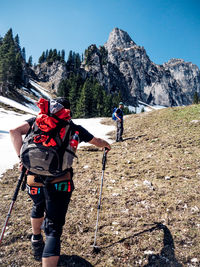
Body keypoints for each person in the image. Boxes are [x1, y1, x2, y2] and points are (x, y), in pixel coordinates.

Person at [9, 97, 111, 267]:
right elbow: (97, 142)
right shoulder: (73, 127)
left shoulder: (37, 121)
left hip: (33, 176)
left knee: (37, 206)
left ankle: (36, 240)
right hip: (60, 180)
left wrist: (21, 158)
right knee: (54, 226)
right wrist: (107, 145)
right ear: (67, 112)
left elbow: (13, 131)